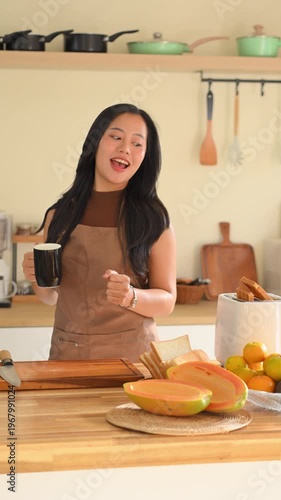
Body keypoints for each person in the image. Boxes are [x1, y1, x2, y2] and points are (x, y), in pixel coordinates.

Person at [22, 103, 177, 362]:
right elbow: (49, 297)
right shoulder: (59, 215)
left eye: (137, 144)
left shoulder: (154, 220)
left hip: (133, 362)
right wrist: (35, 277)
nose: (125, 148)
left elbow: (167, 300)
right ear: (94, 143)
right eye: (115, 137)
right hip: (67, 357)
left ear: (145, 157)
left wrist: (132, 297)